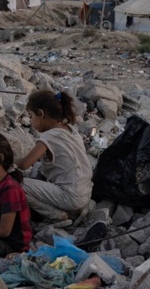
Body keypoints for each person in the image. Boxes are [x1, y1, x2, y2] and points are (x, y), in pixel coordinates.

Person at [17, 90, 93, 223]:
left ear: (41, 114)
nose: (31, 121)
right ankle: (73, 210)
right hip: (85, 193)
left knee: (16, 185)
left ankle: (55, 214)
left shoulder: (48, 137)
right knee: (39, 167)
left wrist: (5, 159)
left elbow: (24, 164)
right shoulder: (71, 130)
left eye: (31, 116)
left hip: (70, 196)